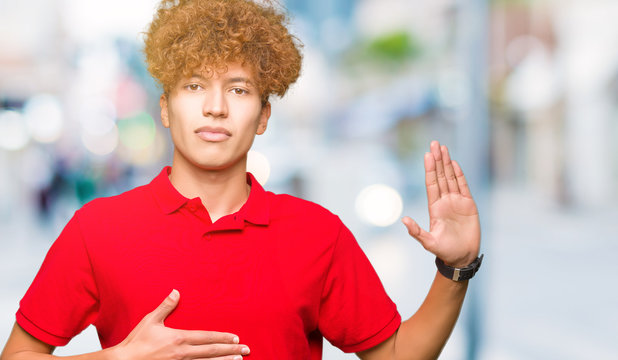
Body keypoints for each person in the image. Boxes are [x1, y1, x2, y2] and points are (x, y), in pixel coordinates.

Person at [0, 0, 482, 359]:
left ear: (264, 115)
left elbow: (396, 354)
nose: (215, 106)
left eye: (238, 88)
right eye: (193, 86)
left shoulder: (318, 234)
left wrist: (454, 270)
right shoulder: (97, 229)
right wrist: (118, 357)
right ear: (165, 108)